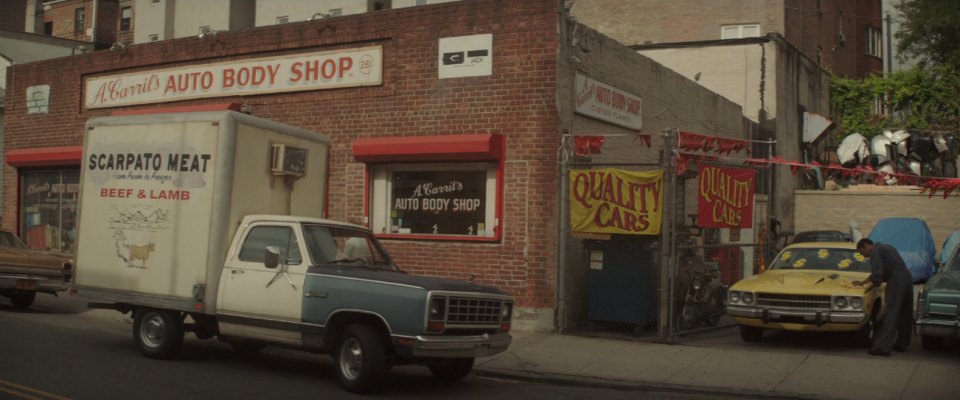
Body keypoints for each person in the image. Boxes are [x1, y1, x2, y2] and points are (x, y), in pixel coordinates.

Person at [852, 238, 913, 356]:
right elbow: (881, 271)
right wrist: (862, 282)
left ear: (865, 246)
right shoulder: (886, 247)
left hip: (896, 279)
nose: (863, 256)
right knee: (905, 312)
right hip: (906, 277)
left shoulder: (875, 252)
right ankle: (902, 343)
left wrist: (874, 285)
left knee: (891, 312)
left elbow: (877, 274)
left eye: (861, 252)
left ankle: (883, 347)